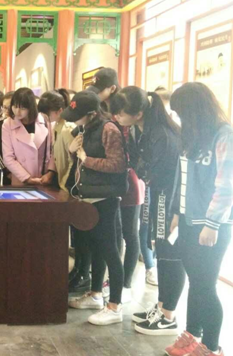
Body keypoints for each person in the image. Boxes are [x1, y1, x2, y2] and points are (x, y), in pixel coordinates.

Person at [163, 83, 233, 356]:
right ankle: (192, 335)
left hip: (213, 225)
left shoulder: (223, 135)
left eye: (182, 112)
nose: (180, 118)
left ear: (195, 109)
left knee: (205, 285)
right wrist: (177, 213)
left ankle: (211, 347)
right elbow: (182, 178)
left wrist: (212, 223)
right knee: (196, 281)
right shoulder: (193, 135)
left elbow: (226, 186)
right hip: (189, 220)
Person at [111, 86, 184, 336]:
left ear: (138, 113)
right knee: (161, 250)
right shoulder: (142, 129)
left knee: (168, 253)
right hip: (159, 193)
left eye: (121, 113)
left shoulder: (161, 133)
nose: (117, 117)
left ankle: (168, 314)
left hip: (168, 197)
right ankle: (162, 307)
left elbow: (155, 172)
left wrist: (140, 168)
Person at [64, 90, 127, 326]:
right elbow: (81, 163)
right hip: (88, 197)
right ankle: (95, 294)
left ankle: (115, 306)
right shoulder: (85, 128)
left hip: (105, 199)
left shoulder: (108, 129)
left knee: (110, 250)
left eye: (77, 116)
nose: (74, 121)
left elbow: (118, 164)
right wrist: (73, 152)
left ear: (91, 113)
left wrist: (85, 158)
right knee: (95, 248)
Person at [38, 89, 89, 293]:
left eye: (47, 113)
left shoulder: (68, 128)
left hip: (71, 188)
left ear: (59, 110)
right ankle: (77, 271)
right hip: (63, 185)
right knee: (73, 234)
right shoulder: (57, 127)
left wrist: (67, 186)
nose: (44, 117)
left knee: (79, 235)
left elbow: (75, 160)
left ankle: (82, 273)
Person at [1, 88, 56, 186]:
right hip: (21, 179)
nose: (17, 112)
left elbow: (52, 150)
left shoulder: (44, 120)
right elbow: (8, 157)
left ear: (31, 107)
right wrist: (26, 178)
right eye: (15, 106)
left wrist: (50, 172)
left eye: (22, 108)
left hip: (43, 178)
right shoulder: (8, 124)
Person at [0, 91, 14, 185]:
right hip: (5, 170)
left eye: (10, 107)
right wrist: (6, 170)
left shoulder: (22, 122)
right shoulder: (1, 122)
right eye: (4, 107)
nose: (7, 111)